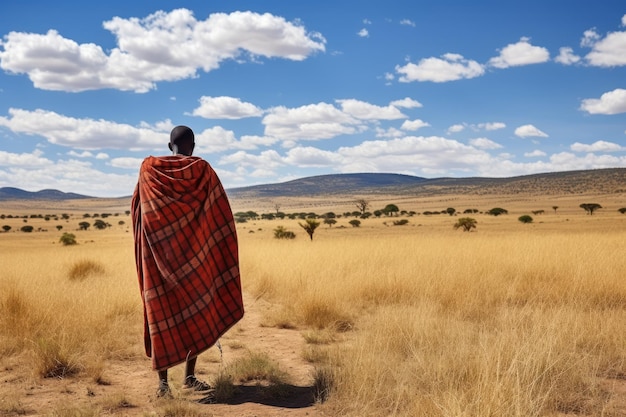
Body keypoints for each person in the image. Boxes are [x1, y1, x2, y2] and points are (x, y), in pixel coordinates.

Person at [131, 125, 244, 398]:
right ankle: (189, 377)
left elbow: (137, 208)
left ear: (169, 144)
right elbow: (219, 214)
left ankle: (163, 384)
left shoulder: (148, 169)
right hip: (195, 258)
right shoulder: (202, 171)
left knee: (160, 313)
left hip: (157, 259)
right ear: (193, 145)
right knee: (197, 309)